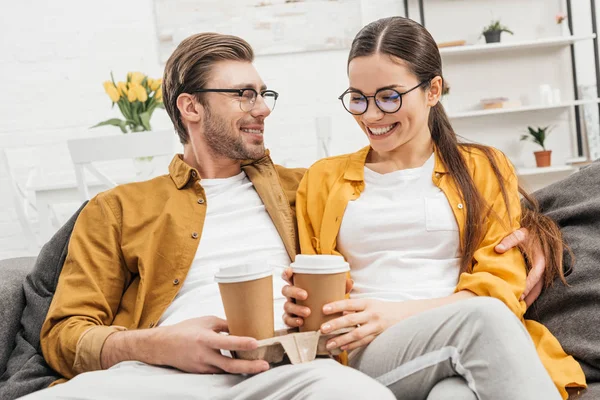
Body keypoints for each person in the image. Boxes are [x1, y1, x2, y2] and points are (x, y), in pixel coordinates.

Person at [24, 31, 544, 400]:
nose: (264, 107)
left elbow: (429, 197)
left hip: (284, 373)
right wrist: (159, 344)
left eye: (264, 93)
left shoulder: (305, 187)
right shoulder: (116, 208)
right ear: (191, 108)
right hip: (156, 374)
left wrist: (538, 229)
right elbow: (63, 333)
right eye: (244, 94)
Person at [282, 17, 586, 400]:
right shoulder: (323, 179)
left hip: (463, 340)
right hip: (365, 350)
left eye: (389, 97)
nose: (371, 115)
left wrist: (395, 313)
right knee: (483, 321)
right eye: (358, 98)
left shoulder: (483, 167)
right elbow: (316, 280)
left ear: (433, 90)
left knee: (453, 394)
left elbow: (500, 284)